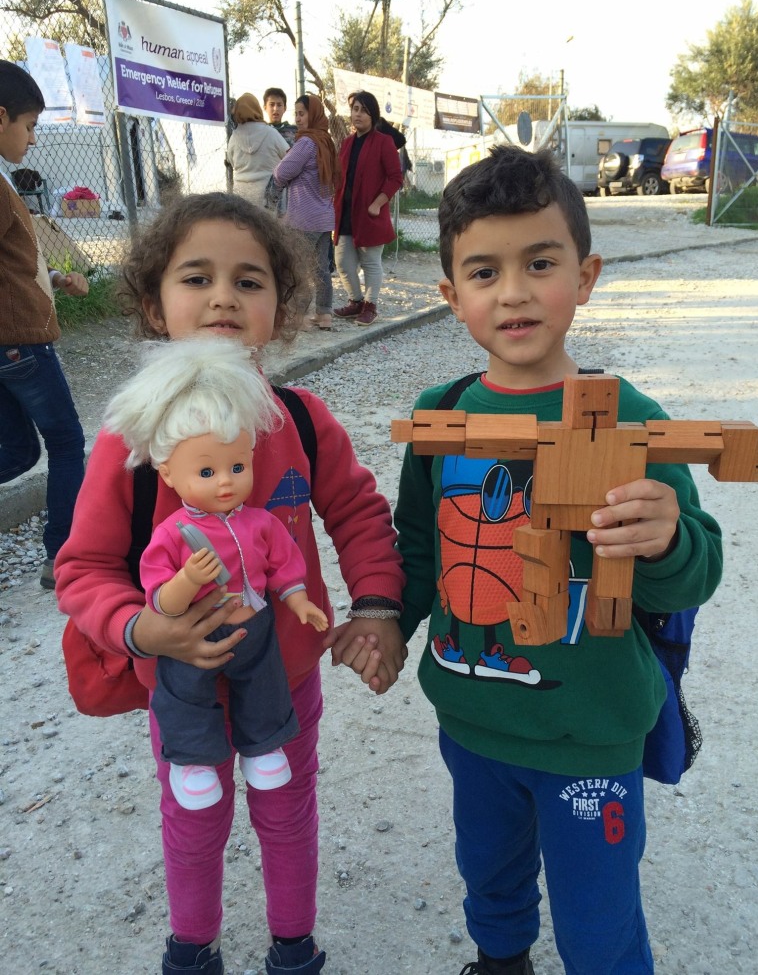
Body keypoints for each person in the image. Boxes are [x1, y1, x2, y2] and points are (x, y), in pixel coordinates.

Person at [334, 145, 723, 975]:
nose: (513, 291)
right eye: (484, 271)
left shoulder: (631, 420)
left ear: (584, 276)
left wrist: (664, 537)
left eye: (540, 263)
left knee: (598, 917)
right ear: (451, 296)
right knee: (490, 871)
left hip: (590, 730)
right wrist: (387, 620)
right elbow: (416, 545)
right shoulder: (439, 415)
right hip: (473, 722)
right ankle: (500, 960)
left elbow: (696, 574)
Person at [55, 191, 407, 975]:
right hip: (180, 684)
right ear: (153, 304)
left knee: (286, 811)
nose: (223, 295)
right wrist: (142, 628)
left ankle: (294, 946)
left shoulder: (299, 419)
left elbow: (355, 511)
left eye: (249, 281)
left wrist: (377, 604)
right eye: (196, 278)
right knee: (194, 815)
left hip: (286, 675)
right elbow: (82, 567)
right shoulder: (131, 438)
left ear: (281, 307)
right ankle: (192, 948)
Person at [104, 336, 328, 813]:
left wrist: (298, 598)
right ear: (168, 475)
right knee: (184, 692)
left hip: (255, 622)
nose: (226, 481)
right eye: (206, 472)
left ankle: (264, 744)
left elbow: (284, 562)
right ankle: (193, 760)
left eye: (237, 466)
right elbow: (157, 591)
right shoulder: (172, 533)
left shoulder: (260, 522)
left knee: (264, 680)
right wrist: (185, 582)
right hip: (192, 634)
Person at [0, 59, 88, 590]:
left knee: (18, 450)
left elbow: (10, 269)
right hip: (21, 347)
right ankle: (65, 554)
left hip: (10, 345)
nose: (33, 139)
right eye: (29, 126)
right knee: (66, 441)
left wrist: (54, 277)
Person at [332, 90, 404, 327]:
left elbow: (395, 178)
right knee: (342, 261)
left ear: (373, 114)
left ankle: (370, 306)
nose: (358, 114)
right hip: (345, 214)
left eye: (363, 110)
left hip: (370, 214)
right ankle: (356, 302)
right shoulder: (347, 143)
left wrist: (377, 203)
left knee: (371, 262)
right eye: (355, 109)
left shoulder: (384, 142)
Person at [273, 94, 341, 331]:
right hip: (324, 217)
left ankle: (298, 317)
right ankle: (324, 315)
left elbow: (282, 173)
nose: (298, 118)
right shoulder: (326, 142)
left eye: (302, 113)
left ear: (313, 115)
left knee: (297, 270)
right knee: (321, 268)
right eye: (297, 114)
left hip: (303, 218)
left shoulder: (305, 143)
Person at [225, 93, 288, 208]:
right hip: (267, 196)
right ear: (258, 109)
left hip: (241, 196)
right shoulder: (271, 133)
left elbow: (231, 161)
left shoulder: (234, 137)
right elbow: (288, 156)